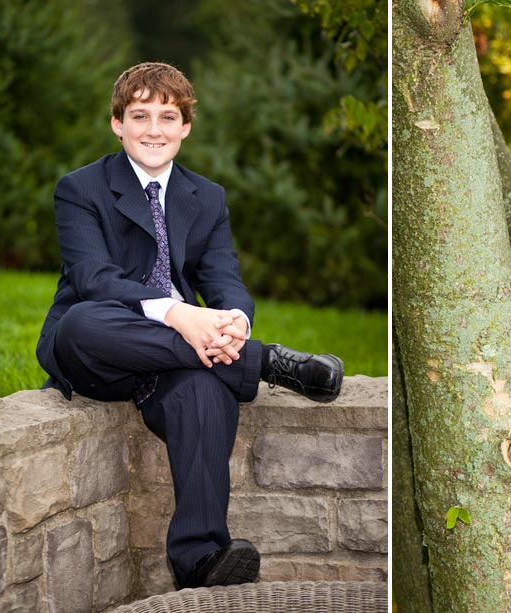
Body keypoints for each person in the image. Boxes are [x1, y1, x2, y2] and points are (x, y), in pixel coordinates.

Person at [36, 62, 344, 589]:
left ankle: (202, 561)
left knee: (202, 391)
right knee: (83, 320)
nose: (153, 129)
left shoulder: (208, 197)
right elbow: (94, 278)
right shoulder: (80, 189)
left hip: (181, 361)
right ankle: (265, 364)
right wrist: (179, 313)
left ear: (185, 128)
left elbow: (224, 278)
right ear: (117, 123)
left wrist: (234, 323)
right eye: (139, 115)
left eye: (167, 116)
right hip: (104, 349)